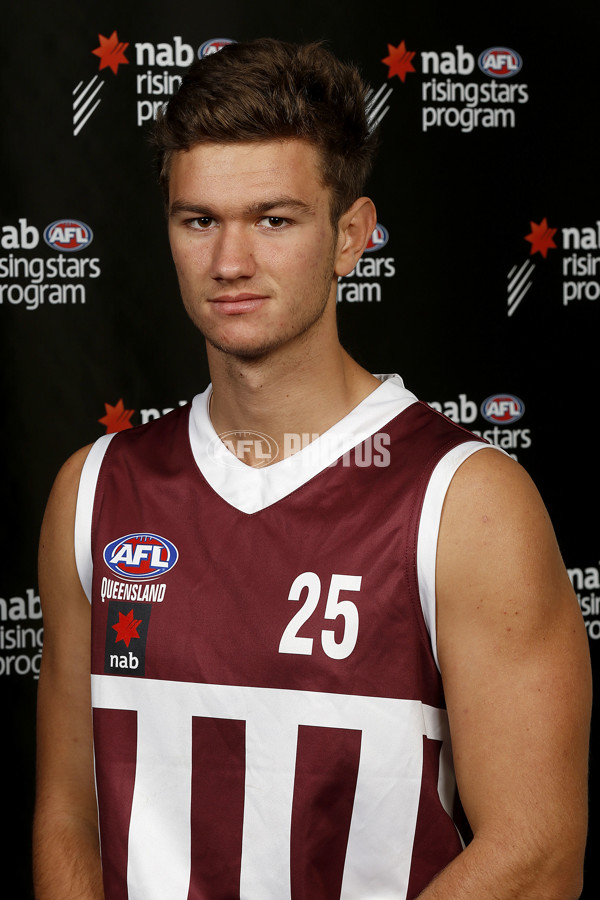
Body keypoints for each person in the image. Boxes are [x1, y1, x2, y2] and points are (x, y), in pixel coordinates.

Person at [33, 38, 591, 900]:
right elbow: (70, 818)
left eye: (275, 219)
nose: (230, 262)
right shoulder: (97, 491)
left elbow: (536, 855)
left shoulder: (464, 502)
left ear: (351, 236)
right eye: (199, 220)